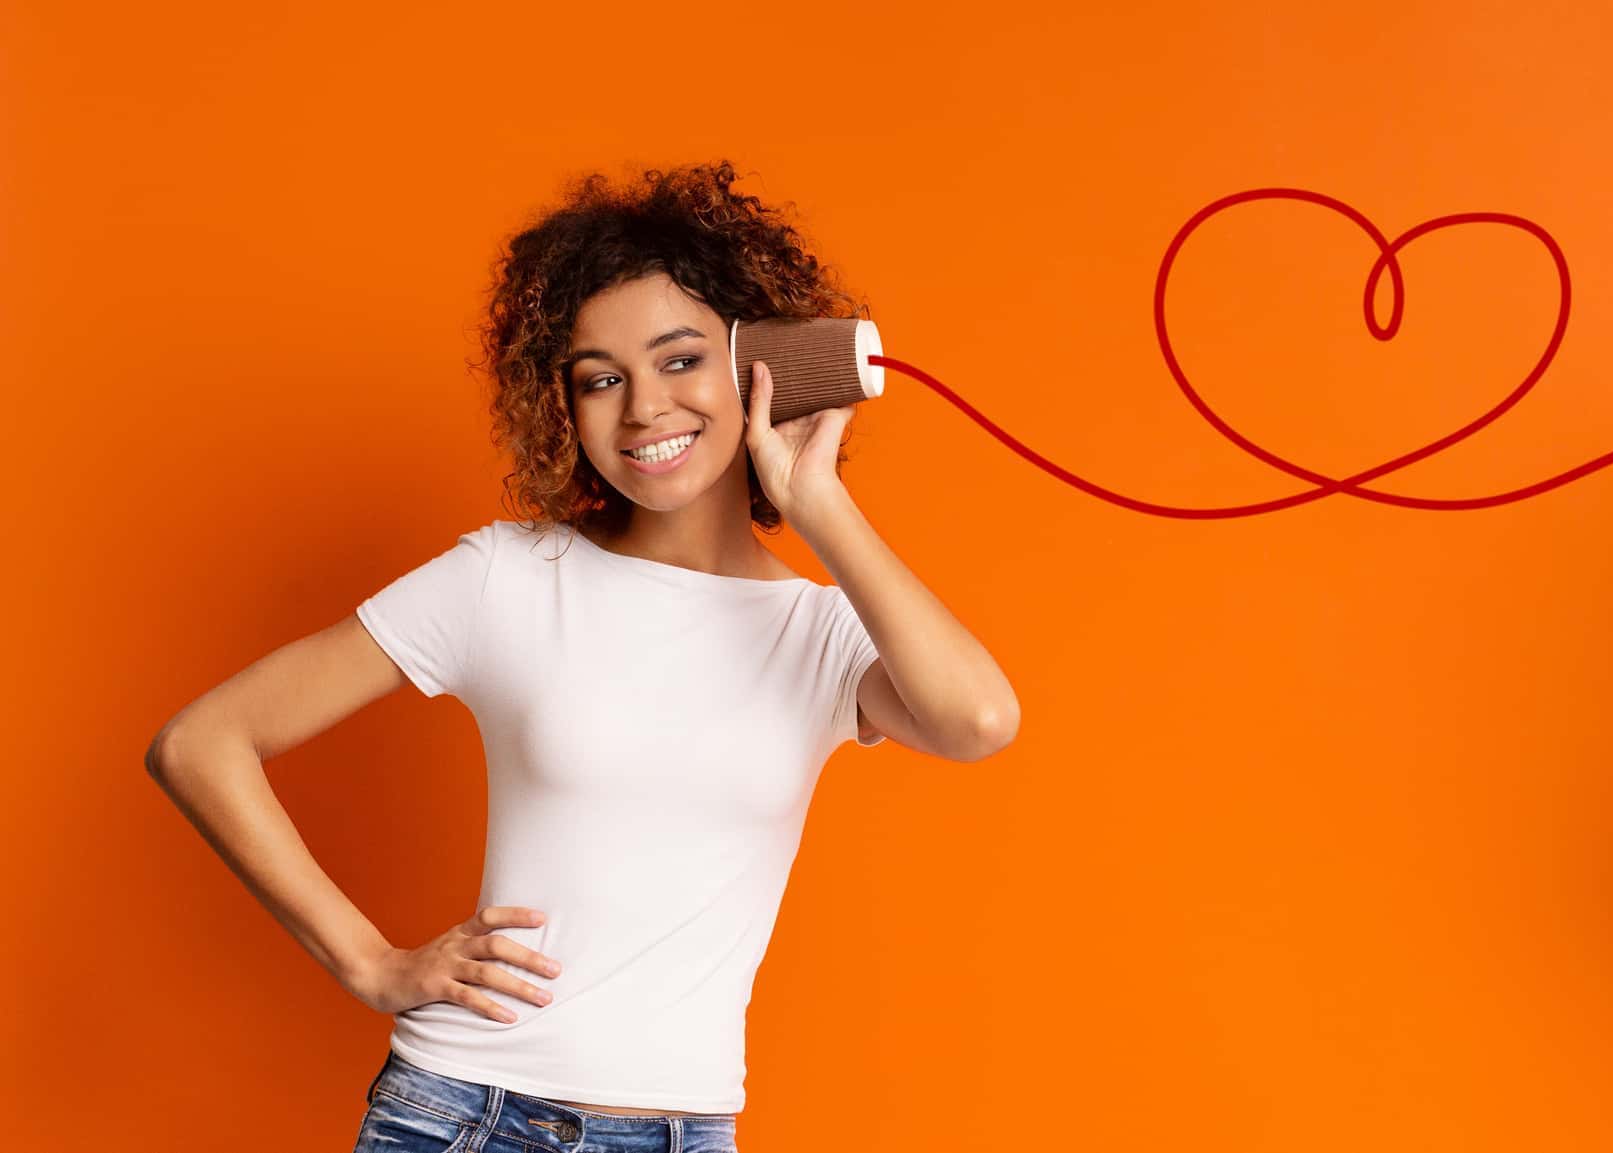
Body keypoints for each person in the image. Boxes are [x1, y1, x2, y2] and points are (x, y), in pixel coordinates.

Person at [144, 161, 1020, 1151]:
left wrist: (818, 502)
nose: (643, 407)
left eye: (681, 360)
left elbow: (979, 721)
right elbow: (201, 742)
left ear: (757, 364)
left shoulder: (818, 633)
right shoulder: (508, 578)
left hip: (684, 1128)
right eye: (602, 378)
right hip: (464, 1115)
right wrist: (370, 962)